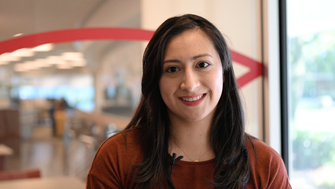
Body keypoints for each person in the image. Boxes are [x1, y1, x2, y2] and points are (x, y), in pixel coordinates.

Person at [86, 14, 291, 189]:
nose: (190, 84)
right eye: (172, 69)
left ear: (225, 72)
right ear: (156, 80)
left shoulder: (265, 164)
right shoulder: (118, 156)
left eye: (202, 64)